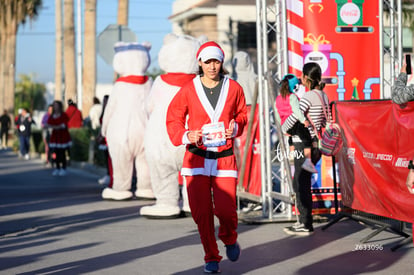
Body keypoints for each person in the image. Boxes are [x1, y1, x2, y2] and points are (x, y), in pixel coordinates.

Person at [166, 41, 247, 273]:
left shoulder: (234, 88)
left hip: (224, 158)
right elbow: (173, 118)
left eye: (216, 61)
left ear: (222, 62)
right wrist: (186, 134)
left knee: (226, 210)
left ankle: (229, 237)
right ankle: (211, 256)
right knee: (201, 213)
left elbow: (242, 113)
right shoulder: (188, 89)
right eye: (208, 61)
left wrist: (237, 126)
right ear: (199, 62)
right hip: (196, 159)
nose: (212, 66)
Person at [282, 62, 329, 236]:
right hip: (317, 145)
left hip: (304, 143)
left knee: (300, 183)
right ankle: (304, 220)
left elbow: (296, 116)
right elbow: (325, 121)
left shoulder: (308, 97)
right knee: (302, 182)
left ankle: (304, 222)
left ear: (306, 78)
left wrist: (283, 128)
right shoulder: (324, 96)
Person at [275, 74, 317, 173]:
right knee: (307, 137)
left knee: (291, 138)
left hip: (285, 125)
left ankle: (291, 154)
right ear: (294, 87)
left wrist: (282, 127)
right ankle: (308, 160)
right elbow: (296, 111)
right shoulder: (292, 97)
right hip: (294, 123)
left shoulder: (278, 99)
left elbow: (277, 114)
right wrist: (304, 120)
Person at [47, 100, 72, 176]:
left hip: (63, 136)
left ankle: (63, 168)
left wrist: (55, 126)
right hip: (55, 137)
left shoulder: (63, 115)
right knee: (56, 153)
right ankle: (57, 168)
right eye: (54, 105)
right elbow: (48, 124)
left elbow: (64, 125)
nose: (55, 107)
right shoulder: (52, 116)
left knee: (62, 153)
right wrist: (55, 126)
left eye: (56, 105)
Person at [96, 95, 113, 186]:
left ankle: (111, 175)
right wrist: (99, 135)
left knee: (111, 158)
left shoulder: (112, 112)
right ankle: (108, 174)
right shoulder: (103, 112)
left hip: (110, 138)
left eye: (107, 101)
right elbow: (102, 126)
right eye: (104, 101)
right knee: (106, 158)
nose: (105, 103)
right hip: (104, 137)